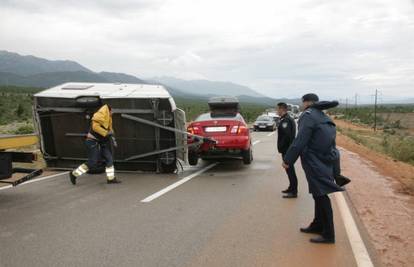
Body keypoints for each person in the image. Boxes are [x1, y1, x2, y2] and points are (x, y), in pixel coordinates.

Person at [282, 93, 343, 244]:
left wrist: (288, 160)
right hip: (326, 161)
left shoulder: (307, 116)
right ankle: (317, 225)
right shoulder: (324, 116)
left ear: (306, 102)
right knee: (318, 194)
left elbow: (300, 140)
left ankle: (329, 234)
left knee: (321, 196)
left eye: (302, 102)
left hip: (314, 162)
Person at [69, 104, 121, 185]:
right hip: (92, 142)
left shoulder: (108, 119)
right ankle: (74, 174)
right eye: (112, 111)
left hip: (102, 142)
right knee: (93, 162)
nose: (113, 113)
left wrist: (113, 139)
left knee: (109, 159)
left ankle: (110, 179)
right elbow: (95, 128)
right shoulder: (98, 118)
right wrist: (106, 133)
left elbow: (110, 131)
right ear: (107, 111)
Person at [276, 102, 298, 198]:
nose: (277, 111)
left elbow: (287, 137)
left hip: (287, 150)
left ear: (282, 109)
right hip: (287, 150)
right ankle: (291, 187)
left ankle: (294, 192)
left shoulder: (286, 121)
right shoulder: (286, 119)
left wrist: (287, 151)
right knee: (289, 170)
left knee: (290, 170)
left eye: (277, 109)